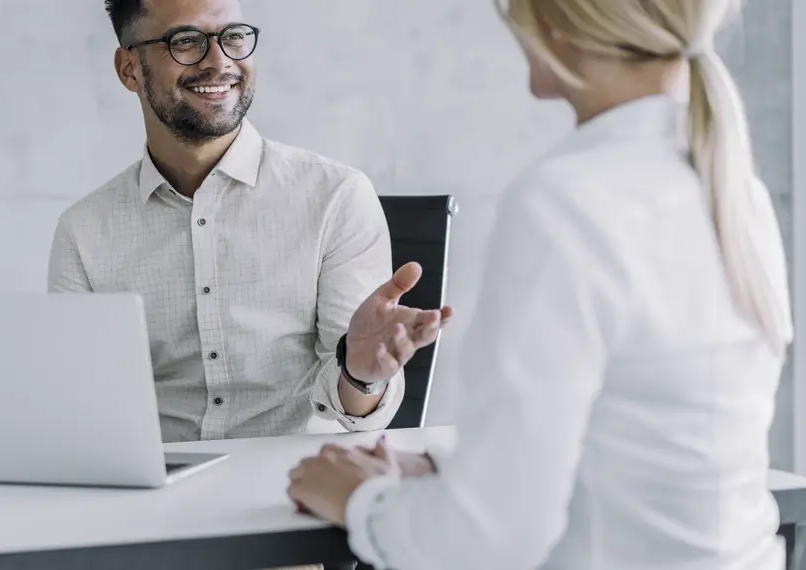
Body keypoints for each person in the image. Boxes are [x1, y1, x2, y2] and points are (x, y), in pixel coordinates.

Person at [287, 0, 794, 568]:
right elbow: (641, 442)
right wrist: (455, 479)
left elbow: (489, 540)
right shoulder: (734, 189)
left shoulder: (565, 203)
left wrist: (361, 499)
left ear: (558, 22)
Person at [47, 0, 453, 444]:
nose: (220, 61)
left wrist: (358, 375)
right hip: (151, 492)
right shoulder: (84, 232)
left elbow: (357, 415)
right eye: (186, 41)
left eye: (234, 36)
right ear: (129, 69)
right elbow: (80, 408)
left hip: (294, 489)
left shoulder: (335, 196)